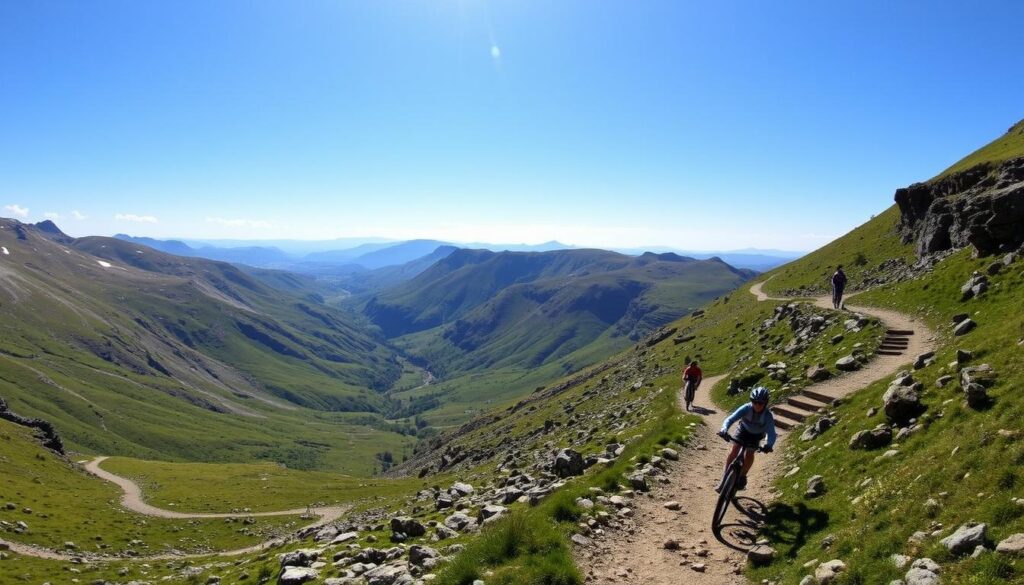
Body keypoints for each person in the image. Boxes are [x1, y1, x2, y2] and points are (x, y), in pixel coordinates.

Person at [716, 386, 776, 492]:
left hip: (756, 435)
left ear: (765, 403)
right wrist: (724, 429)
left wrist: (769, 445)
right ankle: (724, 478)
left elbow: (771, 433)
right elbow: (731, 419)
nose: (757, 405)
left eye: (760, 403)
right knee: (734, 450)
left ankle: (743, 475)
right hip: (743, 430)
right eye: (754, 402)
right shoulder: (746, 408)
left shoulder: (768, 416)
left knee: (750, 453)